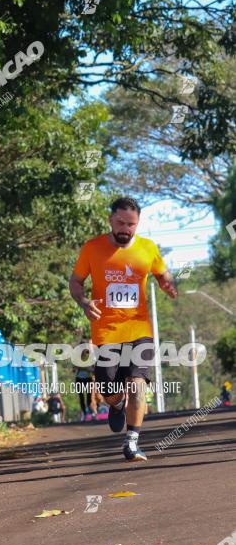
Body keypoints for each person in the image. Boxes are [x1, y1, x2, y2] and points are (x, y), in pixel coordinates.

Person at [69, 196, 177, 461]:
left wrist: (167, 282)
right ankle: (116, 405)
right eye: (120, 222)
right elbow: (76, 281)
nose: (125, 229)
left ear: (137, 224)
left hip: (139, 330)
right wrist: (83, 301)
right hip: (106, 332)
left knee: (138, 384)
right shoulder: (92, 248)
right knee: (108, 391)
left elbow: (162, 272)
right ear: (110, 219)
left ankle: (132, 442)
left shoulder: (148, 248)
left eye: (131, 224)